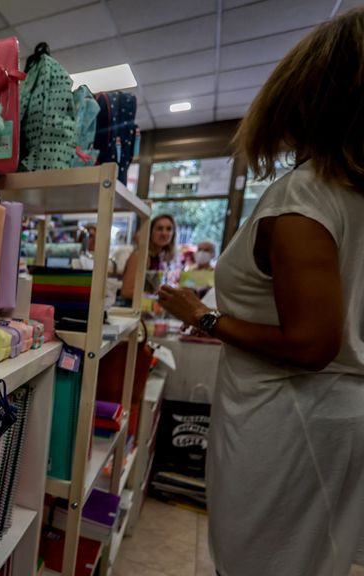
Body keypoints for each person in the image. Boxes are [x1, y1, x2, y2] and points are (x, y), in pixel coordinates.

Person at [158, 9, 364, 575]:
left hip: (290, 419)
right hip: (323, 419)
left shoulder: (305, 197)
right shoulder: (347, 195)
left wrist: (203, 316)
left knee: (255, 563)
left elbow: (312, 344)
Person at [119, 213, 176, 303]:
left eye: (169, 229)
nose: (164, 233)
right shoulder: (141, 255)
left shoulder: (159, 257)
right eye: (159, 229)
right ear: (150, 232)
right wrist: (158, 296)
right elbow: (126, 292)